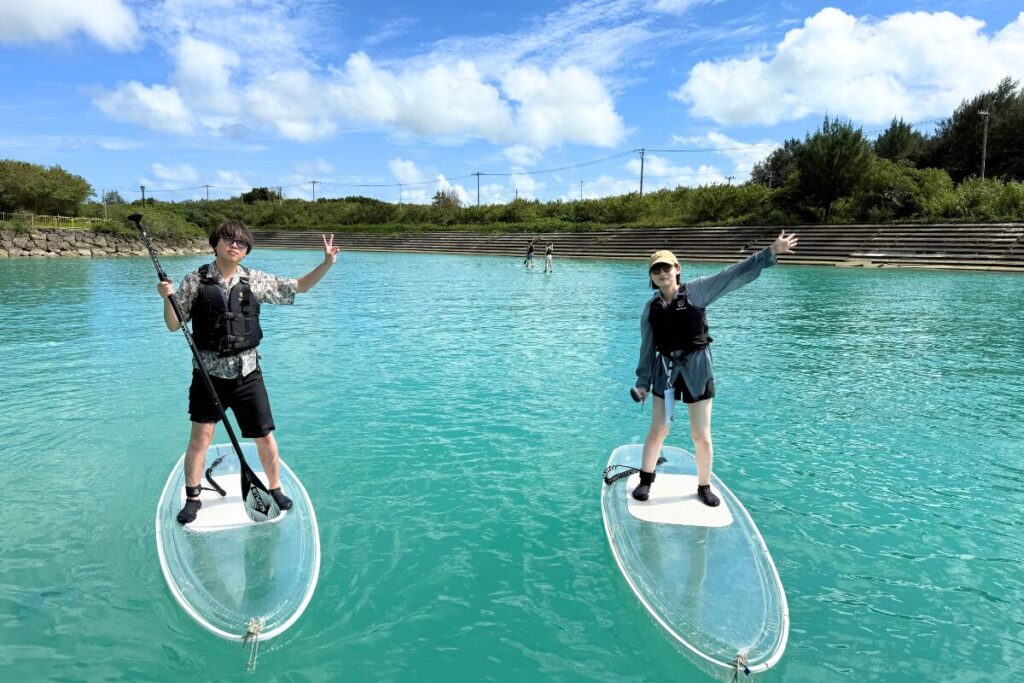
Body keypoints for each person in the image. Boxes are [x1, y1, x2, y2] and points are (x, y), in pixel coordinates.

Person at [157, 220, 341, 524]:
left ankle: (275, 487)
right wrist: (167, 298)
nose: (235, 245)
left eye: (241, 243)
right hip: (208, 375)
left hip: (247, 373)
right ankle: (193, 497)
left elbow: (301, 286)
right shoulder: (194, 281)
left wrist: (327, 263)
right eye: (228, 240)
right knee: (200, 438)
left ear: (246, 251)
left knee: (265, 437)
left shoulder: (254, 280)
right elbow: (174, 325)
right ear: (215, 244)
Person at [631, 231, 798, 506]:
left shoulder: (698, 290)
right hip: (665, 371)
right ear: (651, 277)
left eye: (667, 267)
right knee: (658, 429)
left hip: (697, 370)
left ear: (677, 270)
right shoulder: (650, 309)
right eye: (656, 270)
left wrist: (770, 252)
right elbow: (647, 349)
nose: (662, 273)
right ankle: (646, 480)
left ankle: (704, 485)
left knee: (700, 434)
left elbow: (732, 274)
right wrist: (642, 383)